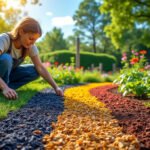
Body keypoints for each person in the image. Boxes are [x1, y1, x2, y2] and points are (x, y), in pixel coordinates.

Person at [0, 17, 64, 100]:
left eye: (35, 40)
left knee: (35, 70)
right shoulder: (4, 39)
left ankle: (7, 89)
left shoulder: (30, 47)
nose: (32, 43)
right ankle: (4, 88)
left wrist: (56, 87)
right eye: (31, 39)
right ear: (21, 31)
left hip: (8, 76)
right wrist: (4, 87)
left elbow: (40, 67)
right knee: (6, 59)